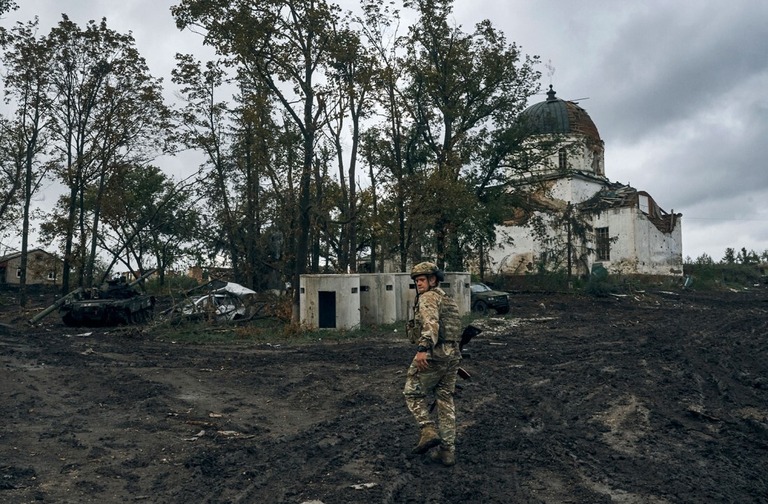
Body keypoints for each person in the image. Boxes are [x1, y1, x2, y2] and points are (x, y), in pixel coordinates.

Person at [403, 261, 463, 466]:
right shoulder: (446, 299)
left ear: (432, 279)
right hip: (452, 354)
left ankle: (427, 429)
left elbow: (431, 325)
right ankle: (447, 451)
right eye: (416, 281)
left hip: (434, 353)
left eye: (422, 280)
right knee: (445, 400)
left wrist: (422, 350)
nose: (418, 284)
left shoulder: (428, 297)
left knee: (411, 392)